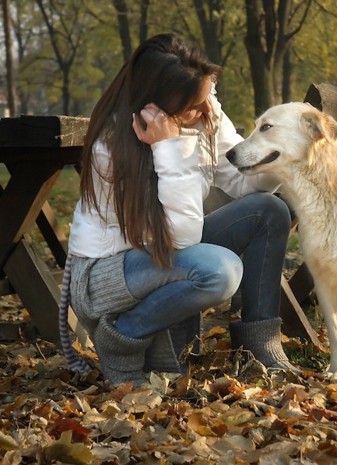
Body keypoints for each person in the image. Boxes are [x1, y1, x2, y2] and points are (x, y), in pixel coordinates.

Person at [58, 33, 297, 386]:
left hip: (161, 253)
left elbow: (244, 183)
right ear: (154, 108)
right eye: (194, 106)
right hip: (106, 274)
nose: (205, 113)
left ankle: (258, 346)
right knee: (221, 271)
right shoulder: (112, 146)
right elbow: (183, 237)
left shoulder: (202, 111)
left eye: (206, 100)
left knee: (269, 211)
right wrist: (170, 148)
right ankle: (122, 338)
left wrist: (280, 155)